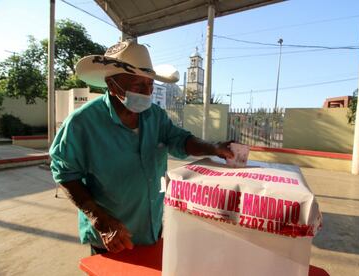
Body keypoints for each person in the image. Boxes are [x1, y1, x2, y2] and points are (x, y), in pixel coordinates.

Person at [49, 40, 234, 255]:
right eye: (138, 86)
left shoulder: (155, 116)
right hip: (112, 237)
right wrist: (100, 220)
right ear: (111, 85)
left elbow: (180, 140)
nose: (147, 93)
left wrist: (214, 147)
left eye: (150, 85)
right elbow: (65, 175)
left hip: (152, 230)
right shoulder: (82, 123)